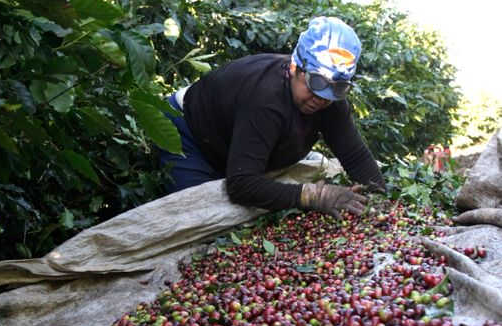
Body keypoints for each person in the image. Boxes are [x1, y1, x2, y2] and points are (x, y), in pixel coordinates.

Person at [156, 16, 386, 219]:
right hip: (191, 133)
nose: (321, 98)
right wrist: (313, 196)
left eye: (337, 89)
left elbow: (355, 156)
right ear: (295, 68)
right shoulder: (266, 99)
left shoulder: (330, 101)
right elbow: (242, 185)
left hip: (237, 135)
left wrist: (379, 201)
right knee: (202, 218)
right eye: (316, 84)